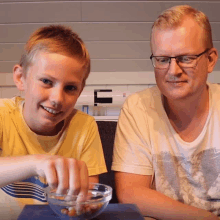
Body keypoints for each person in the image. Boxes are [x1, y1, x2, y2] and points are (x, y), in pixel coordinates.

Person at [112, 5, 220, 220]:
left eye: (186, 58)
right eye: (162, 59)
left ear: (210, 60)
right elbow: (131, 193)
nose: (173, 71)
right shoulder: (137, 108)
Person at [0, 25, 107, 219]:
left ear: (80, 91)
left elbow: (87, 196)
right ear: (20, 78)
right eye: (47, 82)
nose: (58, 98)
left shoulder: (85, 126)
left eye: (70, 88)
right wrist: (37, 162)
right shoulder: (2, 114)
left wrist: (83, 204)